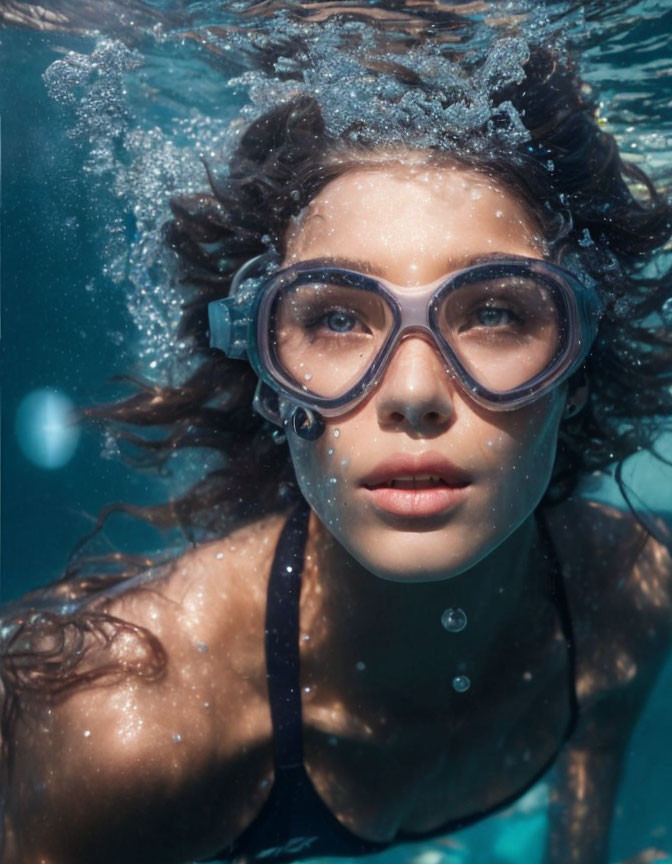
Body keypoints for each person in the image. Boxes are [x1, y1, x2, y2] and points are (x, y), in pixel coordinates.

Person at [1, 23, 671, 864]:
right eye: (337, 318)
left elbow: (590, 797)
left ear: (575, 365)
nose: (416, 394)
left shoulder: (631, 598)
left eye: (497, 311)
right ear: (269, 376)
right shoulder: (125, 730)